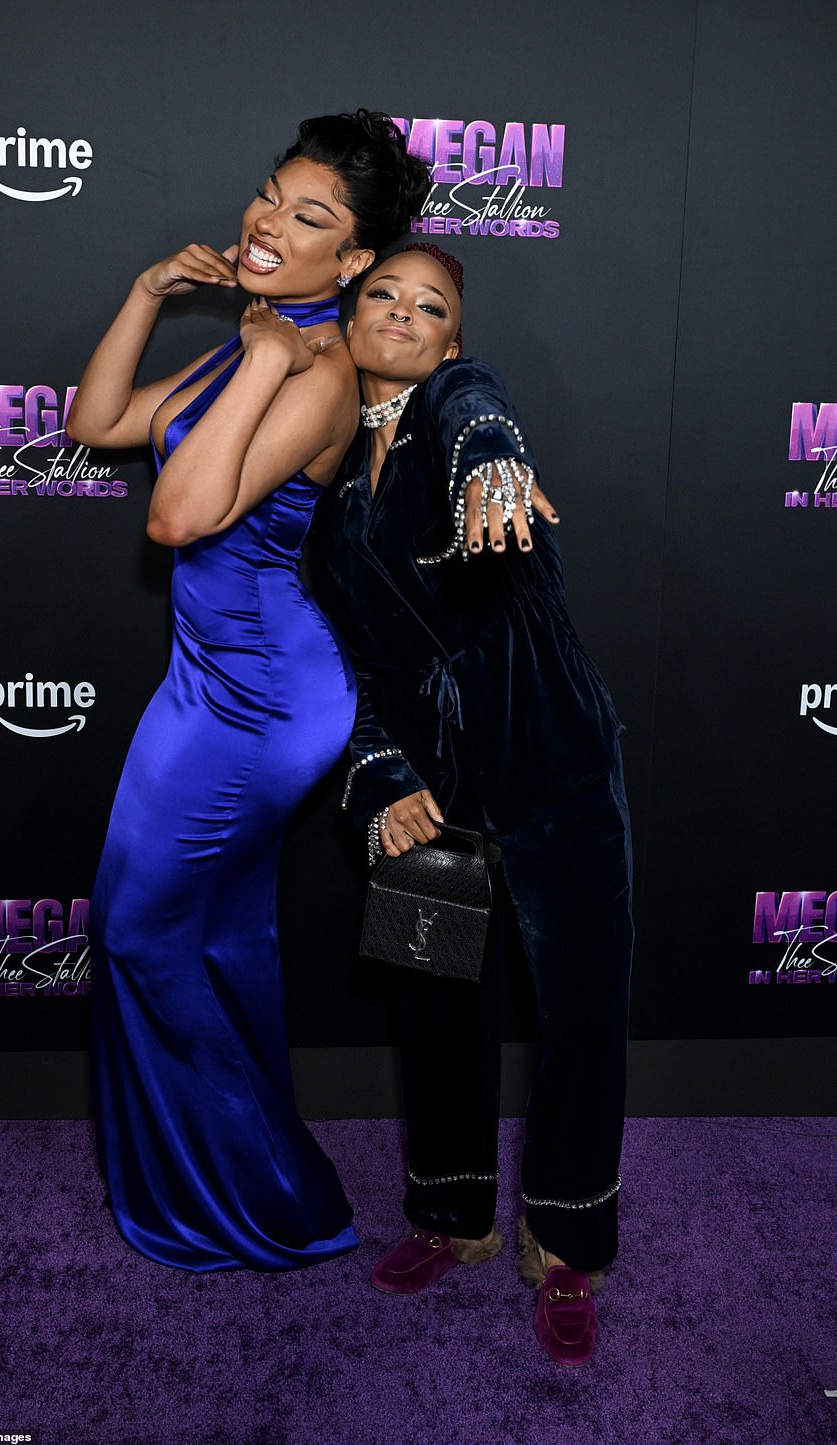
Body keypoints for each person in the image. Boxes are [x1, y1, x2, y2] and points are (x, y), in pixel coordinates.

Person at [65, 113, 429, 1273]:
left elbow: (177, 517)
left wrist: (270, 354)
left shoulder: (316, 367)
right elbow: (101, 424)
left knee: (139, 930)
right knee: (204, 936)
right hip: (204, 683)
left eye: (309, 217)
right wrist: (145, 293)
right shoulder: (257, 333)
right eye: (271, 196)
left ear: (355, 259)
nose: (269, 223)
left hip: (263, 701)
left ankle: (262, 1197)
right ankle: (221, 1179)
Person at [308, 244, 633, 1364]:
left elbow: (476, 409)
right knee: (435, 1005)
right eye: (380, 297)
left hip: (550, 766)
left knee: (581, 1010)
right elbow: (327, 664)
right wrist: (376, 774)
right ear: (346, 321)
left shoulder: (459, 403)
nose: (401, 314)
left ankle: (570, 1238)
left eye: (428, 307)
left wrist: (490, 458)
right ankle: (453, 1218)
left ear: (450, 338)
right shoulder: (326, 486)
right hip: (426, 790)